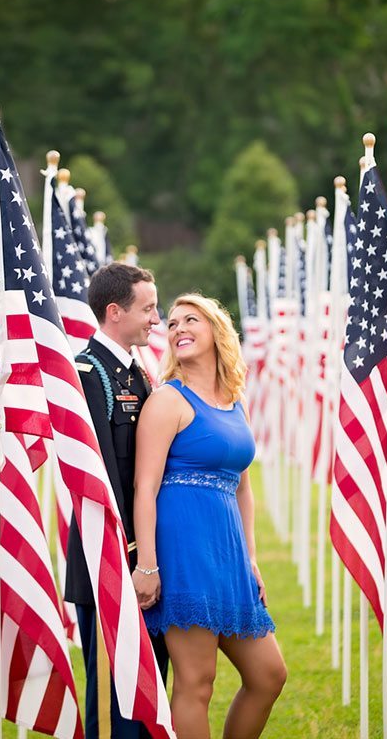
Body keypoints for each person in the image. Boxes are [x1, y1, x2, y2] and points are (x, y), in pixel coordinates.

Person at [132, 293, 287, 739]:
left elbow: (243, 484)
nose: (178, 328)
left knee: (268, 675)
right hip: (185, 553)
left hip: (230, 557)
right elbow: (146, 488)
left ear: (216, 331)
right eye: (173, 322)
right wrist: (147, 564)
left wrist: (252, 558)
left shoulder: (234, 400)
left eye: (190, 320)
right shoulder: (168, 401)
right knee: (197, 683)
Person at [65, 262, 168, 739]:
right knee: (113, 695)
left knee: (149, 686)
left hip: (143, 556)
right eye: (147, 308)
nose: (155, 318)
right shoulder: (88, 374)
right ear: (114, 312)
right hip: (110, 557)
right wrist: (135, 557)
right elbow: (101, 479)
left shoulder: (136, 372)